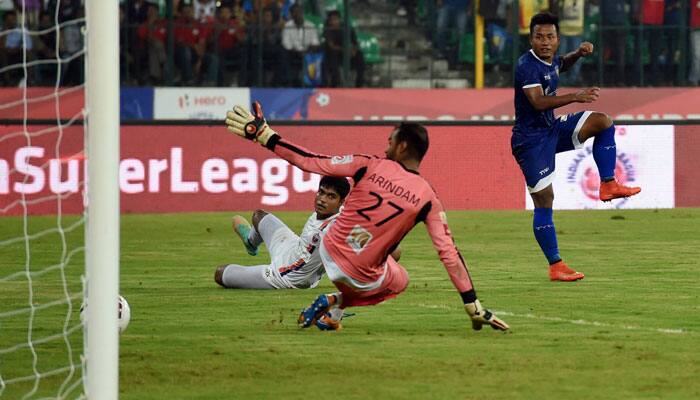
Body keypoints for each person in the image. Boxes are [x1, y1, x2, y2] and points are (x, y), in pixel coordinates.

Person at [225, 102, 510, 332]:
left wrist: (265, 136)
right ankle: (337, 303)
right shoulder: (428, 197)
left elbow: (311, 161)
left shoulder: (368, 165)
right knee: (400, 279)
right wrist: (471, 302)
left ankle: (333, 313)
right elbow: (448, 253)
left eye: (390, 141)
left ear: (402, 147)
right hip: (359, 271)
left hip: (329, 248)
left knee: (374, 256)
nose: (386, 147)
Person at [511, 12, 641, 282]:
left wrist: (579, 54)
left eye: (550, 37)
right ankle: (556, 265)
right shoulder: (526, 65)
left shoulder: (549, 61)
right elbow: (537, 102)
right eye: (539, 37)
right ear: (531, 39)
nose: (545, 42)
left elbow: (561, 65)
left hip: (551, 129)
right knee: (544, 201)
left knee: (603, 122)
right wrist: (575, 97)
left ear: (558, 39)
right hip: (530, 141)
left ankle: (608, 183)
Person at [214, 176, 350, 290]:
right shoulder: (334, 211)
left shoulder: (335, 230)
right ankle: (251, 243)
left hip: (285, 275)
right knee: (259, 215)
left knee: (220, 274)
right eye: (321, 192)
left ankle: (251, 250)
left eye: (331, 196)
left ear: (341, 202)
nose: (322, 199)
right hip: (292, 248)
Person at [282, 3, 320, 87]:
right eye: (294, 12)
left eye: (298, 12)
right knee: (284, 54)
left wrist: (306, 52)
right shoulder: (287, 26)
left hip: (308, 52)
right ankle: (290, 82)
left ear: (302, 12)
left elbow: (315, 42)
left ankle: (313, 82)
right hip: (293, 53)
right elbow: (286, 44)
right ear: (291, 14)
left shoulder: (310, 25)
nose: (297, 14)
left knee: (316, 53)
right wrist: (298, 51)